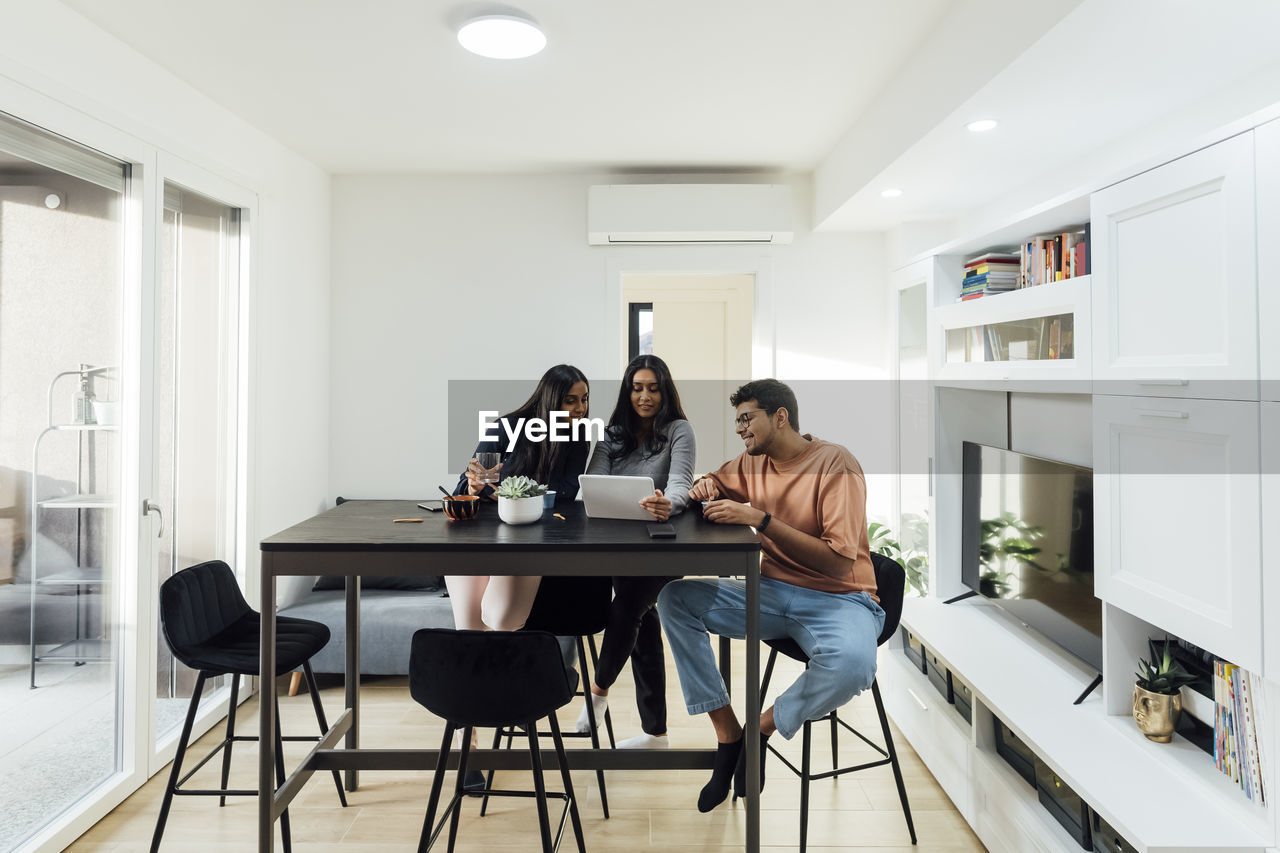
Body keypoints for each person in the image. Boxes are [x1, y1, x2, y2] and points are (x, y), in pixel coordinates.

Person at [656, 378, 883, 812]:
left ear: (780, 417)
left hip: (841, 599)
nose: (740, 429)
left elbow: (838, 562)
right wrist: (706, 487)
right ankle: (728, 733)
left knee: (854, 665)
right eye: (737, 421)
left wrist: (761, 519)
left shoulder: (836, 464)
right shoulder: (752, 461)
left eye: (747, 419)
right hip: (773, 592)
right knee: (674, 599)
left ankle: (762, 727)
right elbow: (717, 482)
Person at [575, 354, 696, 749]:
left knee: (627, 609)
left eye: (653, 388)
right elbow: (594, 481)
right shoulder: (612, 434)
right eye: (637, 388)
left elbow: (681, 482)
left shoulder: (680, 430)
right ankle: (655, 732)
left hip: (663, 545)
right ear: (628, 391)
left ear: (665, 391)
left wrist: (669, 503)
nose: (645, 396)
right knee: (641, 620)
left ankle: (597, 693)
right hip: (618, 542)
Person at [447, 363, 591, 632]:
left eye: (584, 399)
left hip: (527, 539)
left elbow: (564, 495)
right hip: (481, 537)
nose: (580, 408)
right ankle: (483, 673)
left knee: (500, 618)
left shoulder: (579, 437)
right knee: (468, 628)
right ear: (550, 400)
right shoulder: (507, 427)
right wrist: (475, 488)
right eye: (570, 401)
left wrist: (508, 495)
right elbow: (462, 489)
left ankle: (505, 669)